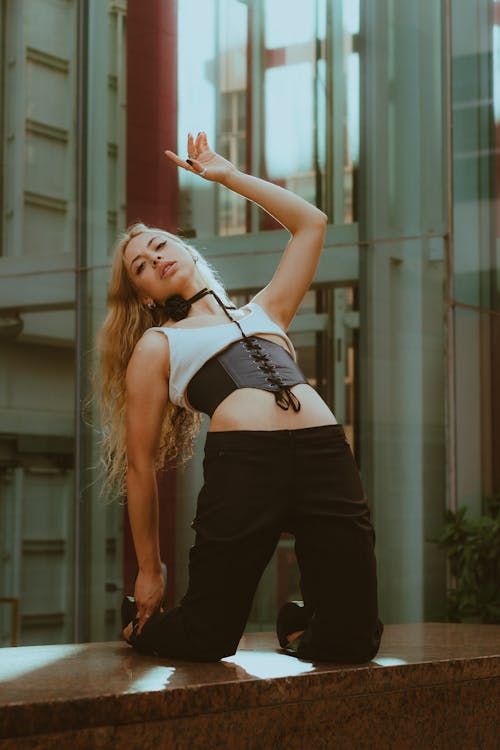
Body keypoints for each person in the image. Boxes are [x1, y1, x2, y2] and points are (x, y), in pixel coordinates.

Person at [98, 131, 383, 662]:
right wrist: (149, 570)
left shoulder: (265, 311)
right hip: (246, 466)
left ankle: (302, 623)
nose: (155, 258)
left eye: (161, 244)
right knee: (207, 637)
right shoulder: (157, 346)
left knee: (355, 641)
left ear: (185, 248)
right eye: (141, 265)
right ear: (144, 295)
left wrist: (228, 177)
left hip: (324, 453)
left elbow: (311, 223)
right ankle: (140, 630)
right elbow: (140, 468)